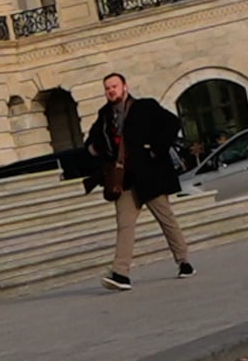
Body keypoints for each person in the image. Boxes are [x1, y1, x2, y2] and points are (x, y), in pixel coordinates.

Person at [79, 70, 193, 288]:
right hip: (124, 181)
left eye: (114, 86)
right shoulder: (104, 116)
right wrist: (94, 149)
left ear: (125, 87)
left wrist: (156, 149)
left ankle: (184, 261)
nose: (111, 90)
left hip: (150, 176)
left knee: (166, 219)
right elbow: (92, 141)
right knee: (124, 225)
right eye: (107, 88)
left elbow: (172, 123)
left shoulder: (145, 107)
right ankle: (120, 274)